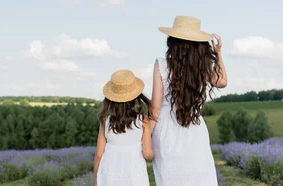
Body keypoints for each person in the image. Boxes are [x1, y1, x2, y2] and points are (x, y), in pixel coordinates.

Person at [151, 16, 228, 185]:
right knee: (197, 177)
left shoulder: (161, 65)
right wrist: (218, 53)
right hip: (194, 131)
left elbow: (155, 109)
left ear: (172, 42)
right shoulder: (203, 67)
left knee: (170, 178)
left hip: (166, 132)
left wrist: (143, 139)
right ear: (199, 45)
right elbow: (222, 82)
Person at [94, 69, 156, 186]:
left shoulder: (105, 121)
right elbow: (147, 154)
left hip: (109, 176)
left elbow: (98, 155)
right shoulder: (143, 121)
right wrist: (155, 154)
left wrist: (96, 181)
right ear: (136, 96)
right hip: (134, 177)